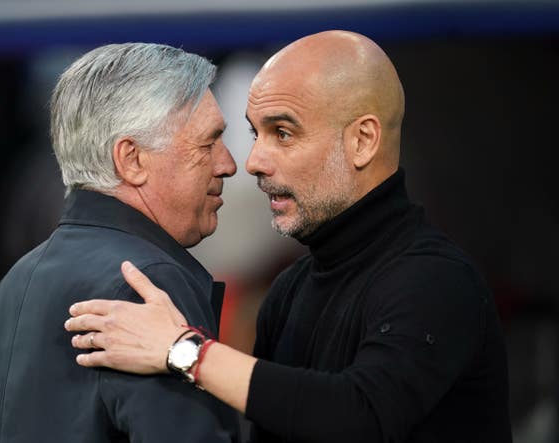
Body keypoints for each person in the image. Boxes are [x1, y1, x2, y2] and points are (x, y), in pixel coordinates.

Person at [65, 31, 512, 442]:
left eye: (282, 132)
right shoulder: (289, 292)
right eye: (254, 133)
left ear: (362, 141)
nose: (254, 160)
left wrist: (185, 352)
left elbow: (362, 416)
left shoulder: (436, 279)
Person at [0, 43, 240, 442]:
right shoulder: (147, 285)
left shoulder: (7, 291)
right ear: (131, 159)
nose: (228, 163)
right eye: (207, 142)